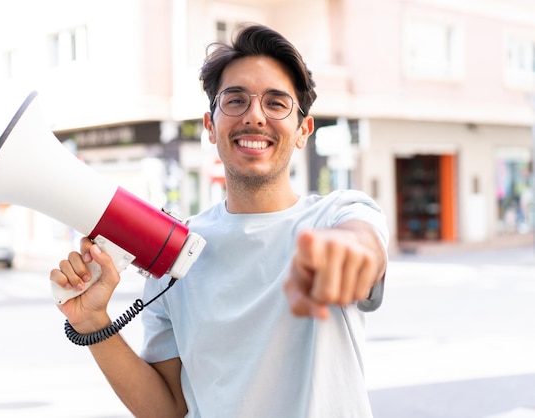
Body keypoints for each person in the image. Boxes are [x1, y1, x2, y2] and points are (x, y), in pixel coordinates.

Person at [51, 23, 389, 418]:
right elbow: (168, 409)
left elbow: (364, 243)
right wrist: (93, 322)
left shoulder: (337, 215)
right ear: (210, 126)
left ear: (303, 131)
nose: (255, 117)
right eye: (236, 100)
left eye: (277, 103)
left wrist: (350, 251)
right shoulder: (175, 252)